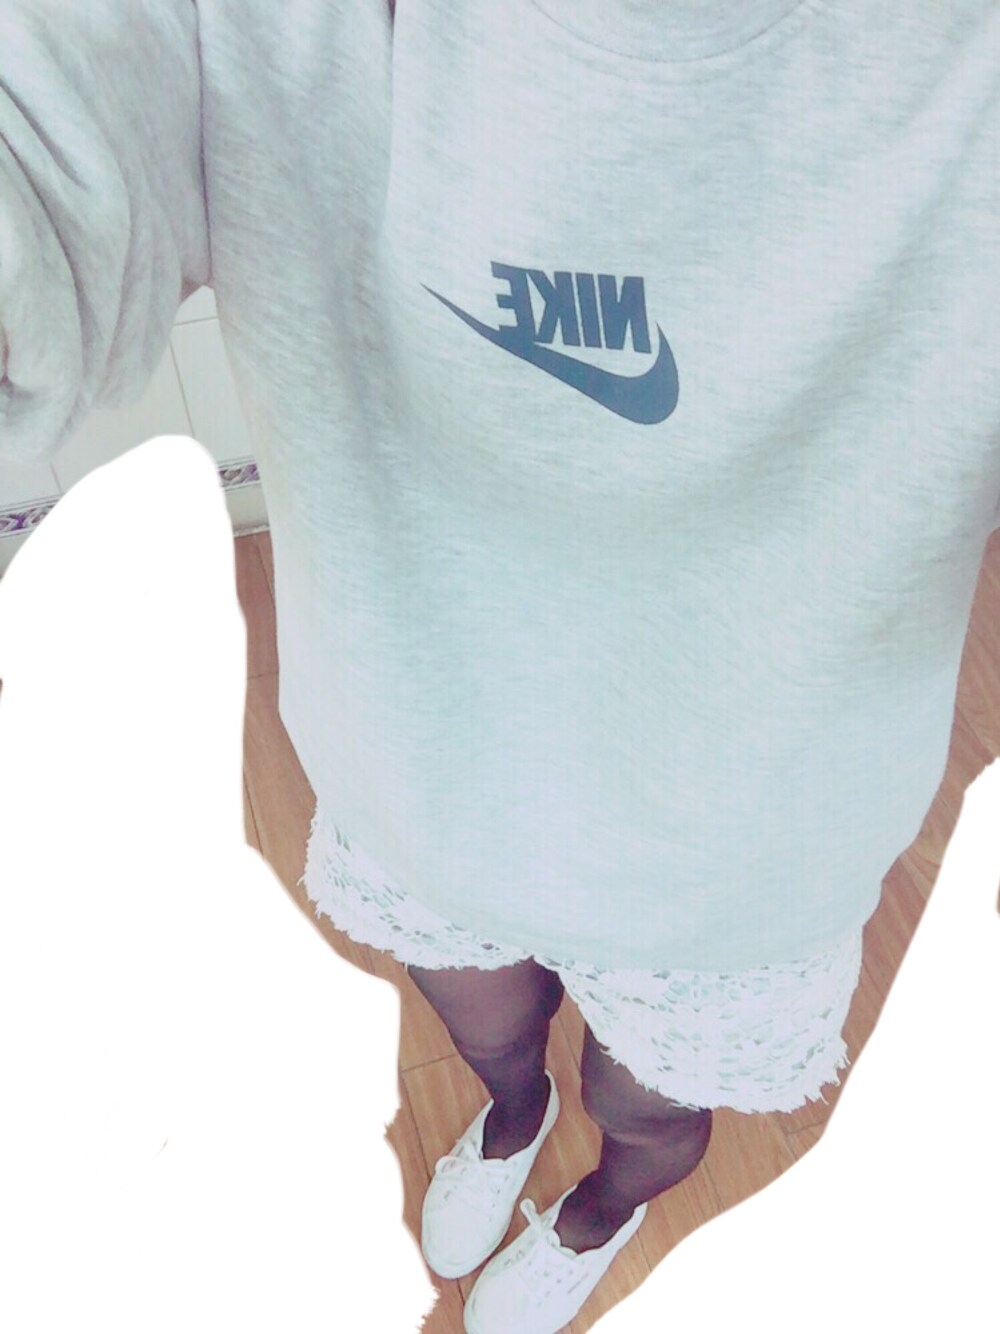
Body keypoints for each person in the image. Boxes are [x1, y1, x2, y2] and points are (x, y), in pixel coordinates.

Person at [2, 3, 998, 1331]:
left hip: (736, 860)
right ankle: (509, 1119)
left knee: (650, 1112)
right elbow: (42, 149)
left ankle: (601, 1208)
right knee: (488, 1031)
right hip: (427, 778)